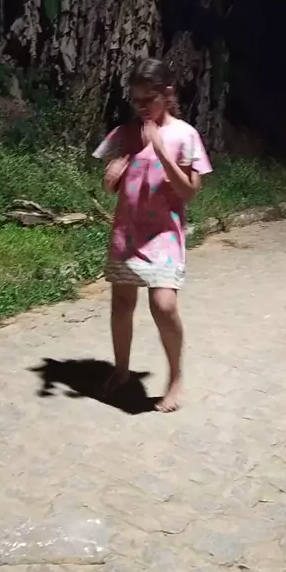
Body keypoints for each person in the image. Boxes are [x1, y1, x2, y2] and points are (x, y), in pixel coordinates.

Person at [93, 58, 212, 412]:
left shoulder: (185, 136)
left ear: (167, 93)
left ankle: (175, 378)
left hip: (164, 235)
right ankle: (121, 371)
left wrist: (160, 149)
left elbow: (189, 192)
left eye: (149, 99)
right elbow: (112, 184)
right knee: (122, 304)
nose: (142, 107)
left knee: (163, 304)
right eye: (135, 100)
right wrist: (110, 179)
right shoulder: (125, 133)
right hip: (127, 233)